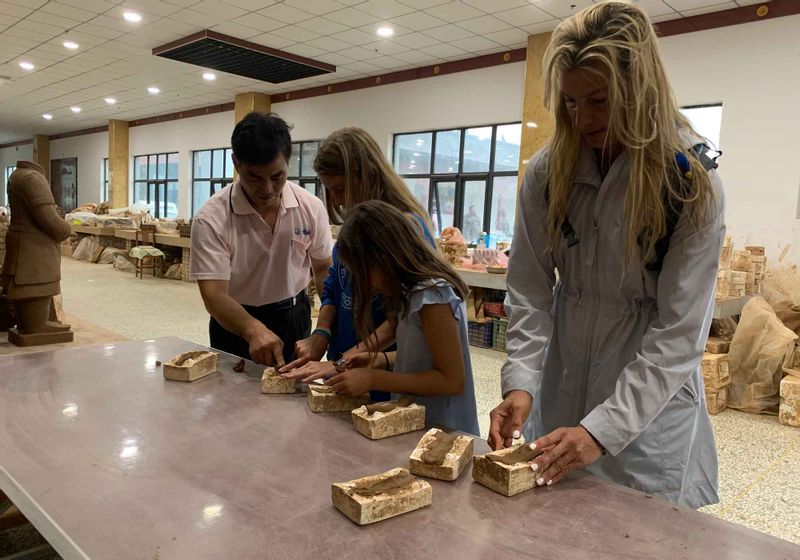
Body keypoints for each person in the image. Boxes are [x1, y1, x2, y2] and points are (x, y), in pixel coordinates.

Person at [488, 1, 724, 509]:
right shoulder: (550, 172)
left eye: (598, 101)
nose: (582, 118)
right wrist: (522, 381)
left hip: (646, 418)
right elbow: (530, 290)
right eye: (569, 102)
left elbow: (679, 332)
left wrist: (604, 428)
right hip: (563, 385)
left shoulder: (687, 181)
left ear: (640, 91)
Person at [280, 127, 434, 387]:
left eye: (341, 189)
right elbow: (334, 288)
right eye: (330, 191)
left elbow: (401, 317)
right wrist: (322, 333)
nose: (338, 201)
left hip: (379, 371)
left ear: (368, 176)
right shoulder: (356, 223)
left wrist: (343, 362)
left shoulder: (404, 229)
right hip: (345, 361)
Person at [323, 200, 479, 435]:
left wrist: (373, 378)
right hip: (417, 419)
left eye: (364, 274)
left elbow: (451, 380)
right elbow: (424, 354)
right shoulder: (410, 292)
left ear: (383, 259)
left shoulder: (431, 295)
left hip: (442, 426)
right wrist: (381, 360)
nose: (367, 286)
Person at [190, 112, 332, 366]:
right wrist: (252, 329)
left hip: (294, 315)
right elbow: (214, 294)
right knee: (232, 398)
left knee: (295, 397)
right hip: (236, 321)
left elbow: (323, 270)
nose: (267, 189)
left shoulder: (310, 207)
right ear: (236, 163)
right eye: (254, 177)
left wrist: (324, 328)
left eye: (277, 177)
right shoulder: (211, 218)